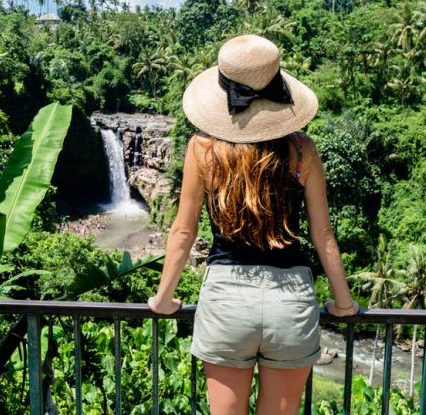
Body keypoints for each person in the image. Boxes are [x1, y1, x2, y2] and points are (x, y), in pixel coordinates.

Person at [147, 35, 359, 415]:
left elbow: (183, 231)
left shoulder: (202, 149)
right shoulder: (301, 149)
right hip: (291, 300)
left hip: (227, 300)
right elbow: (322, 233)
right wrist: (343, 304)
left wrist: (164, 298)